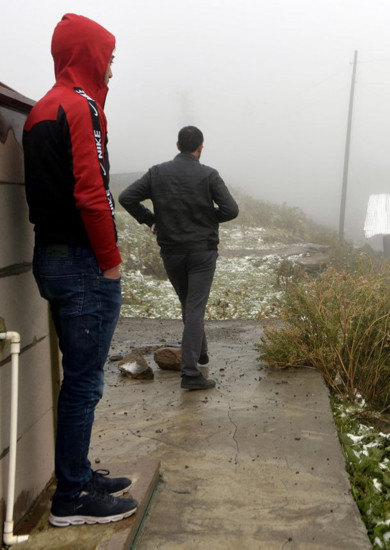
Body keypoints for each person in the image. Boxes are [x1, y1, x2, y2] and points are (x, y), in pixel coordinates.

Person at [23, 13, 139, 527]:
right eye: (108, 59)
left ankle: (78, 472)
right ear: (89, 54)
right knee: (85, 382)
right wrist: (111, 263)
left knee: (78, 379)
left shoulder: (40, 110)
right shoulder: (80, 106)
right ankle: (72, 497)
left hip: (48, 255)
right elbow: (92, 193)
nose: (111, 70)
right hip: (82, 263)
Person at [119, 126, 239, 391]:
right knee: (194, 307)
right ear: (201, 147)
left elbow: (126, 197)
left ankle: (201, 354)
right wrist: (207, 218)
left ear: (177, 145)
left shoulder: (157, 173)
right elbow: (231, 210)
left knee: (188, 304)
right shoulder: (209, 175)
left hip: (171, 251)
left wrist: (152, 221)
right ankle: (190, 373)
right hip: (202, 251)